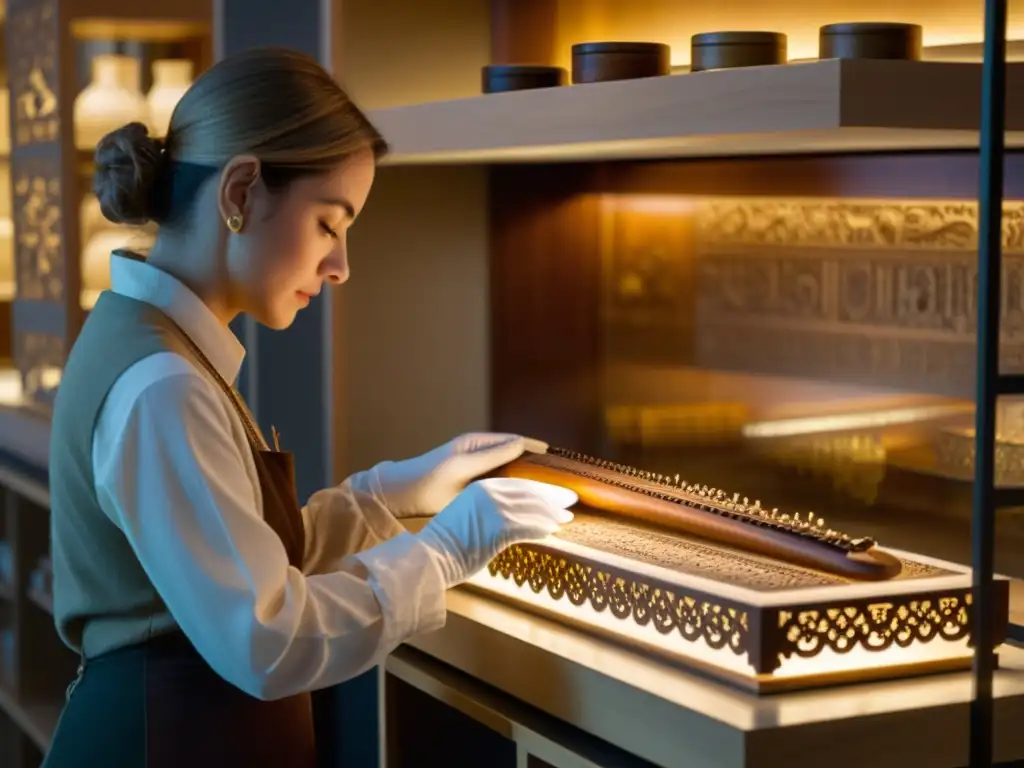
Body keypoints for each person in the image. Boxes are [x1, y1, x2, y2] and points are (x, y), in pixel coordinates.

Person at [43, 47, 573, 767]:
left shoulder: (161, 350)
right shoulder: (163, 385)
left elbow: (243, 560)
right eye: (329, 223)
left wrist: (393, 492)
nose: (341, 266)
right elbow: (269, 637)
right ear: (240, 194)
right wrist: (441, 553)